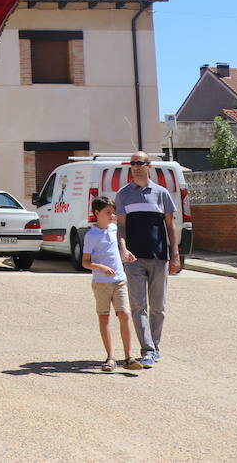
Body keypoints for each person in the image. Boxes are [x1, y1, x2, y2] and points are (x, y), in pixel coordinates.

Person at [114, 152, 181, 365]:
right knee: (138, 306)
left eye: (139, 163)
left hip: (159, 257)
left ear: (149, 166)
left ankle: (155, 346)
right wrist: (123, 249)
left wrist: (175, 255)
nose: (135, 167)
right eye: (132, 164)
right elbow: (121, 226)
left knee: (158, 307)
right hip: (133, 259)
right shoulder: (123, 194)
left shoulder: (161, 194)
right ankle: (147, 350)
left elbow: (170, 227)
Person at [82, 197, 145, 372]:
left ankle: (128, 357)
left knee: (124, 314)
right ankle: (110, 357)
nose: (112, 216)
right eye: (108, 213)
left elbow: (119, 249)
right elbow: (85, 262)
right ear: (96, 213)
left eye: (113, 212)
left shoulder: (115, 230)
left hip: (119, 280)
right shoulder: (91, 235)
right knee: (104, 317)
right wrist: (101, 267)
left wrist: (127, 255)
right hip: (101, 283)